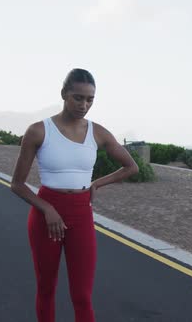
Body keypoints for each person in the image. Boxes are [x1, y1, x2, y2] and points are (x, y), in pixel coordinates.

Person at [11, 68, 139, 322]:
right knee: (46, 289)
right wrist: (46, 208)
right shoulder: (38, 131)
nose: (84, 105)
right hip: (46, 215)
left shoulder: (98, 132)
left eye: (90, 99)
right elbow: (17, 184)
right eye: (78, 97)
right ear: (64, 94)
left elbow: (131, 167)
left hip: (81, 214)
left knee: (82, 296)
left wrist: (97, 183)